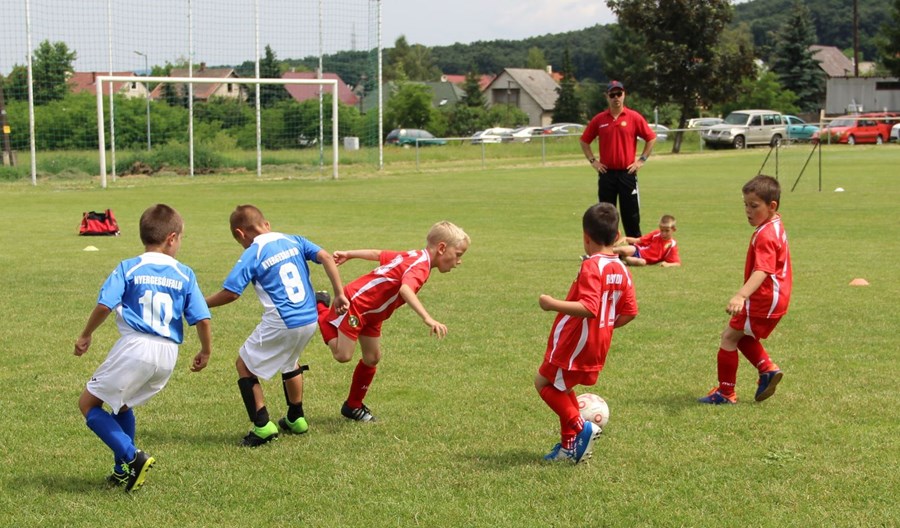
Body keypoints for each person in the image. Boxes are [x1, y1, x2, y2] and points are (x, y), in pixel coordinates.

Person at [74, 204, 212, 492]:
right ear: (171, 238)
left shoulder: (129, 267)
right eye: (181, 239)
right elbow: (202, 318)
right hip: (168, 354)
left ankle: (132, 457)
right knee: (122, 404)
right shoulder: (185, 273)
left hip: (136, 347)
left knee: (88, 404)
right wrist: (205, 350)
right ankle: (122, 471)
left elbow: (105, 305)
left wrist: (86, 334)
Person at [205, 205, 349, 446]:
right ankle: (296, 418)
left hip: (283, 321)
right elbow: (325, 256)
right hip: (309, 318)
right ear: (267, 224)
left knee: (244, 364)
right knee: (290, 360)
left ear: (240, 234)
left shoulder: (253, 252)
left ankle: (262, 427)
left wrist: (202, 304)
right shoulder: (294, 240)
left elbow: (231, 293)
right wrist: (339, 294)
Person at [316, 221, 470, 422]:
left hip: (373, 313)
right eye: (458, 254)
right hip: (357, 305)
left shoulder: (415, 255)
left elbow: (378, 254)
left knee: (372, 357)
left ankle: (353, 406)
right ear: (442, 248)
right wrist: (428, 318)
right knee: (343, 355)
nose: (459, 261)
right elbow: (405, 290)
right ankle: (320, 310)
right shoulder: (420, 266)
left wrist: (350, 254)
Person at [535, 203, 638, 463]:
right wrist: (606, 325)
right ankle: (568, 447)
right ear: (617, 236)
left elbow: (589, 307)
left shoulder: (592, 265)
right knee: (563, 386)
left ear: (586, 236)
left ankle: (582, 427)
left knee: (543, 383)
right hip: (598, 343)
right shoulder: (622, 269)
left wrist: (551, 304)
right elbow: (630, 312)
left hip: (575, 341)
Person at [699, 175, 791, 404]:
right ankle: (766, 370)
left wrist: (741, 295)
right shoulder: (775, 224)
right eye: (745, 205)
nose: (748, 211)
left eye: (754, 206)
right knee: (741, 335)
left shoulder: (765, 235)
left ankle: (726, 393)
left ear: (772, 206)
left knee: (728, 338)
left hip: (764, 297)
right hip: (776, 296)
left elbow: (763, 269)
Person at [580, 80, 657, 238]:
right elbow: (584, 141)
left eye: (619, 94)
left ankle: (635, 247)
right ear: (607, 96)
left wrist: (641, 160)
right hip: (606, 173)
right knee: (605, 215)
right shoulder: (600, 119)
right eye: (612, 94)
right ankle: (607, 247)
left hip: (627, 173)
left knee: (631, 215)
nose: (616, 97)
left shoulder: (633, 117)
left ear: (624, 95)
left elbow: (651, 138)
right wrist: (593, 161)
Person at [613, 214, 681, 267]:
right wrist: (626, 238)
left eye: (667, 231)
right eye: (662, 230)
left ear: (673, 229)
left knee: (641, 263)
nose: (663, 233)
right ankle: (608, 251)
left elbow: (677, 263)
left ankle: (622, 257)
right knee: (624, 250)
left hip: (645, 260)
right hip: (638, 250)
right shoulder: (656, 233)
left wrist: (668, 264)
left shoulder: (672, 244)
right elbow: (638, 240)